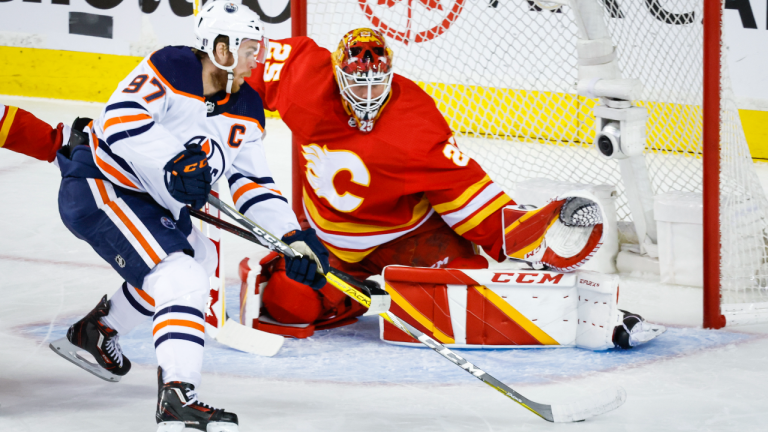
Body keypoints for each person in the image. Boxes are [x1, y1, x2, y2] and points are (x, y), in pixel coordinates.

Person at [238, 28, 662, 349]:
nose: (367, 95)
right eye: (357, 84)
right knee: (288, 302)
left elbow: (464, 193)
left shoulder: (414, 121)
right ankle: (365, 296)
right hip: (330, 245)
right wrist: (197, 112)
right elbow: (240, 64)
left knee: (465, 293)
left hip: (410, 239)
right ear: (335, 73)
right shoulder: (302, 80)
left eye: (376, 83)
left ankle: (580, 308)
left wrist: (524, 230)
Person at [45, 2, 328, 431]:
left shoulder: (248, 106)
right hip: (102, 185)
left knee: (200, 261)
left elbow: (251, 182)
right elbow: (120, 118)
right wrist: (176, 160)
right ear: (220, 48)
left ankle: (99, 329)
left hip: (148, 202)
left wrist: (291, 236)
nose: (259, 57)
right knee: (180, 278)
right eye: (250, 47)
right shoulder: (174, 65)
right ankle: (178, 397)